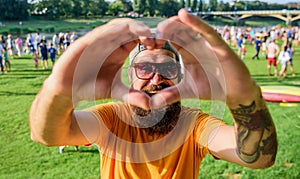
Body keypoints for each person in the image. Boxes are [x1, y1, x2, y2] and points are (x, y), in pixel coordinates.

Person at [29, 9, 277, 178]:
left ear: (179, 76)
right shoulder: (112, 119)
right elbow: (48, 135)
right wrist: (59, 91)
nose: (157, 79)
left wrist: (243, 98)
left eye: (167, 68)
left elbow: (258, 158)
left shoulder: (194, 125)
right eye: (145, 68)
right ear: (131, 73)